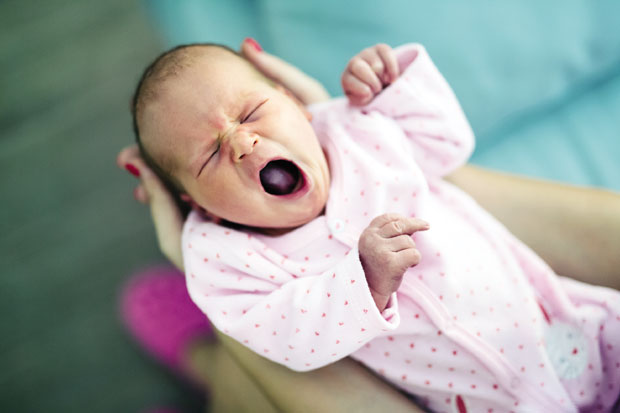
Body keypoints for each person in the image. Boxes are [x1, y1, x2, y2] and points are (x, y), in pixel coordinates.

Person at [119, 38, 620, 412]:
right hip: (481, 402)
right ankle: (213, 374)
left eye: (252, 112)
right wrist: (363, 281)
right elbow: (284, 336)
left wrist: (392, 87)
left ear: (295, 104)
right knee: (250, 369)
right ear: (197, 203)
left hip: (579, 332)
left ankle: (211, 377)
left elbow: (446, 145)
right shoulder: (229, 256)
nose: (241, 142)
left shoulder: (357, 134)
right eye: (209, 156)